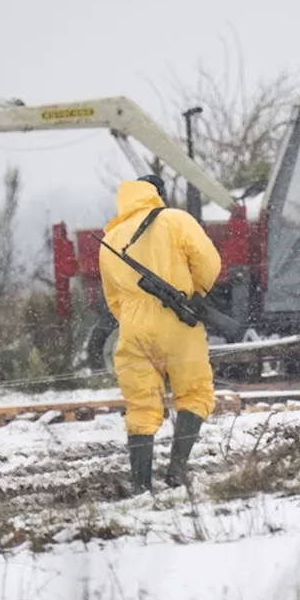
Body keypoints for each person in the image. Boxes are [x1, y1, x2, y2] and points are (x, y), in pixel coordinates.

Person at [99, 174, 222, 493]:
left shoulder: (110, 238)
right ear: (158, 194)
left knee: (141, 405)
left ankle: (141, 484)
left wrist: (133, 318)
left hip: (132, 329)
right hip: (177, 322)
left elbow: (112, 298)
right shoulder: (175, 219)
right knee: (194, 393)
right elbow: (209, 263)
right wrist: (196, 294)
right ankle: (177, 471)